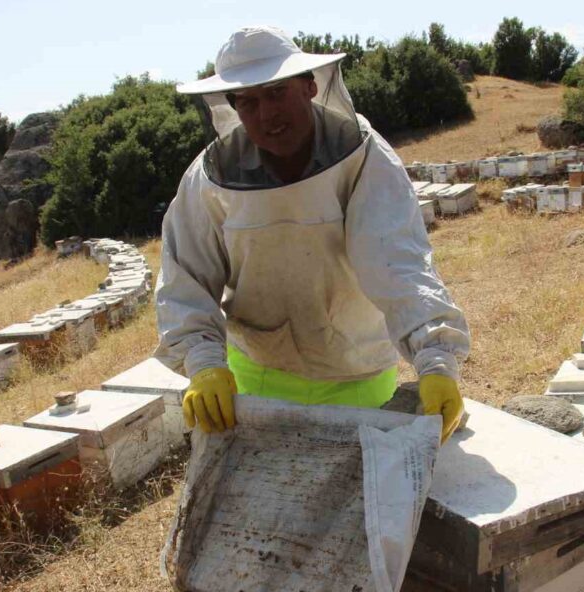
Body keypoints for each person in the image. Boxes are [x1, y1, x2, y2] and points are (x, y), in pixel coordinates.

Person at [154, 25, 470, 441]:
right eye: (248, 102)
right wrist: (204, 362)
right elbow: (186, 278)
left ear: (309, 86)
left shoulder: (364, 157)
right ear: (231, 107)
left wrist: (435, 359)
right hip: (257, 371)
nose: (266, 115)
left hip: (357, 369)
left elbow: (398, 261)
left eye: (276, 93)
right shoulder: (208, 178)